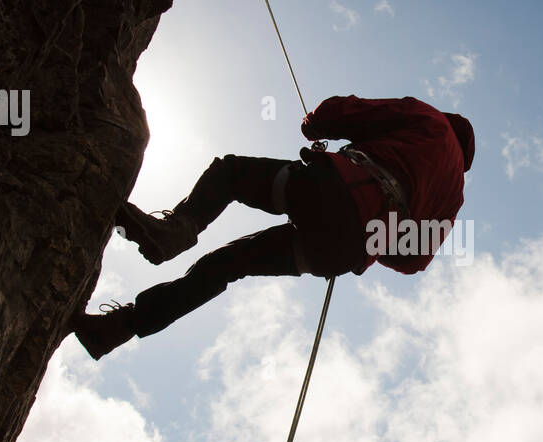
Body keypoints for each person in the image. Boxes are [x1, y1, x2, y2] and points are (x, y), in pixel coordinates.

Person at [71, 96, 474, 359]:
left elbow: (350, 114)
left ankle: (176, 231)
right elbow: (414, 260)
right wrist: (376, 233)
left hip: (339, 190)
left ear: (451, 122)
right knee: (229, 265)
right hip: (343, 251)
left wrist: (316, 123)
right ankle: (117, 329)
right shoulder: (453, 193)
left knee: (230, 174)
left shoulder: (431, 121)